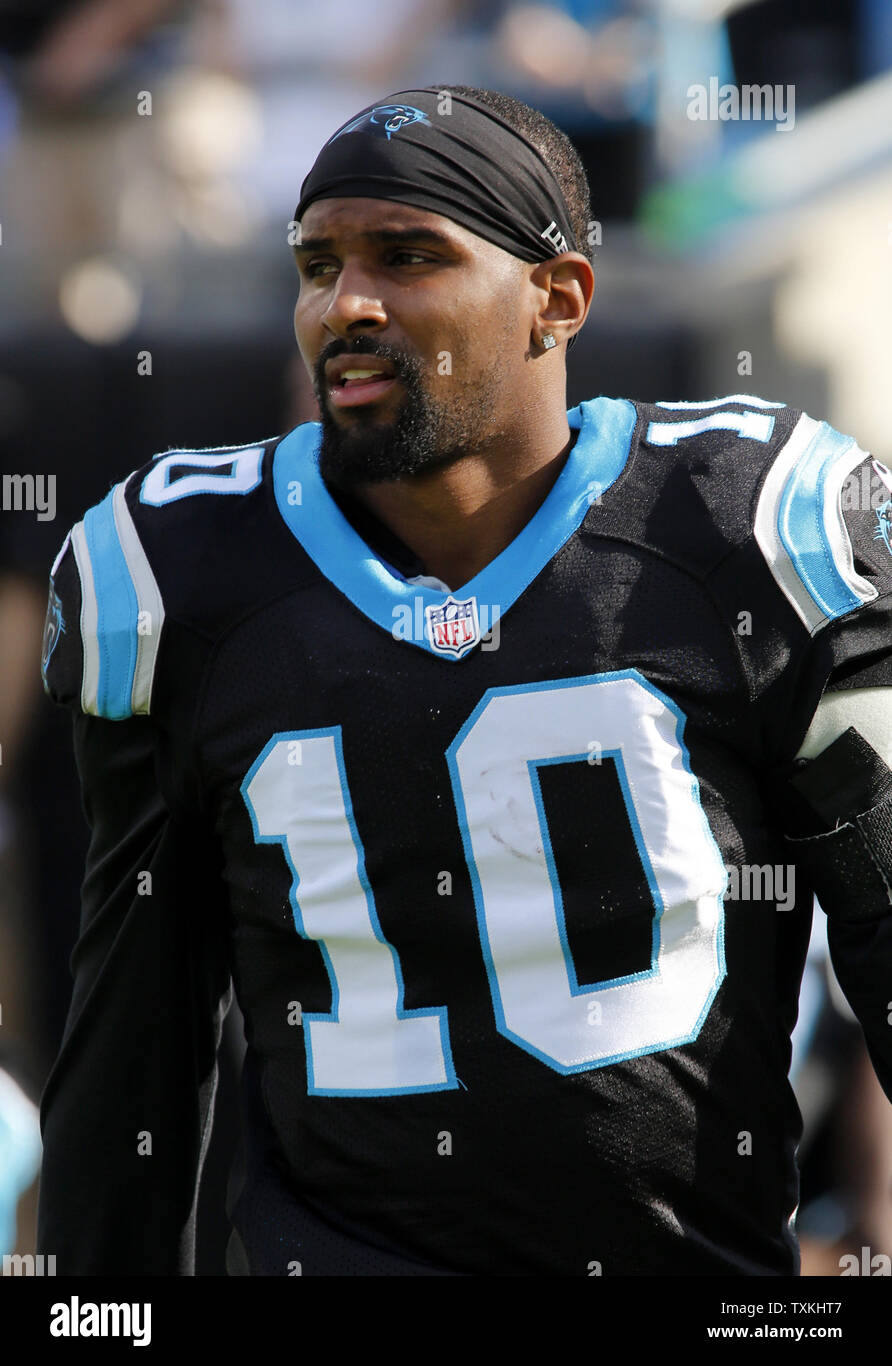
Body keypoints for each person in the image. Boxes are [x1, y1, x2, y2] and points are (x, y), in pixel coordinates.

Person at [37, 84, 892, 1276]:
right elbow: (130, 1048)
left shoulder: (745, 533)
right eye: (317, 263)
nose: (348, 304)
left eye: (407, 256)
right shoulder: (177, 574)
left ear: (556, 298)